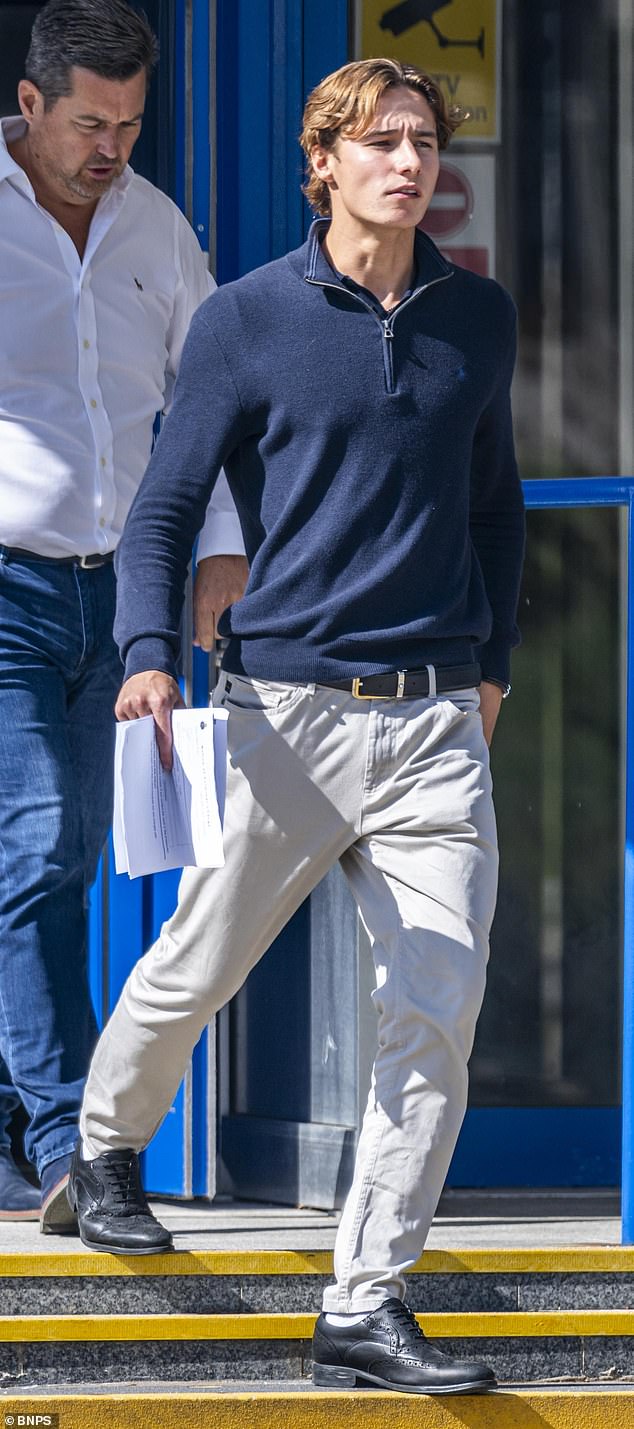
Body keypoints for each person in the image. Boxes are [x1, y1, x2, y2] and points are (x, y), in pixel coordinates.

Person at [71, 57, 525, 1396]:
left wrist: (490, 668)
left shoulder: (476, 319)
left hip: (435, 720)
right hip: (285, 710)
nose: (407, 162)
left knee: (434, 1009)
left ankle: (363, 1299)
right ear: (321, 162)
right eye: (378, 141)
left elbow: (494, 503)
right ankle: (101, 1148)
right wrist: (150, 653)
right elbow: (164, 507)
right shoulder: (247, 319)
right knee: (199, 961)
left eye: (422, 141)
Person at [0, 0, 247, 1232]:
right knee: (39, 847)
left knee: (70, 859)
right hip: (5, 585)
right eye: (90, 122)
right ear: (31, 104)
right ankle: (69, 1147)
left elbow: (203, 403)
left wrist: (219, 548)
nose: (112, 146)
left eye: (132, 123)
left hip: (125, 594)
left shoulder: (155, 224)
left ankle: (17, 1109)